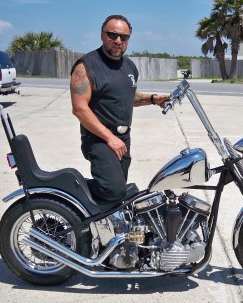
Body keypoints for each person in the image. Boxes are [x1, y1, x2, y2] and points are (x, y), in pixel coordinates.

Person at [70, 14, 170, 205]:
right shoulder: (86, 66)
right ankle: (69, 193)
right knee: (113, 189)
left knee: (116, 196)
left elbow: (127, 97)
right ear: (102, 35)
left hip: (123, 139)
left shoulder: (129, 66)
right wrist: (109, 138)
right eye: (112, 35)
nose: (118, 41)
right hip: (98, 139)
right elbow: (79, 109)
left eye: (123, 37)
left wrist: (152, 99)